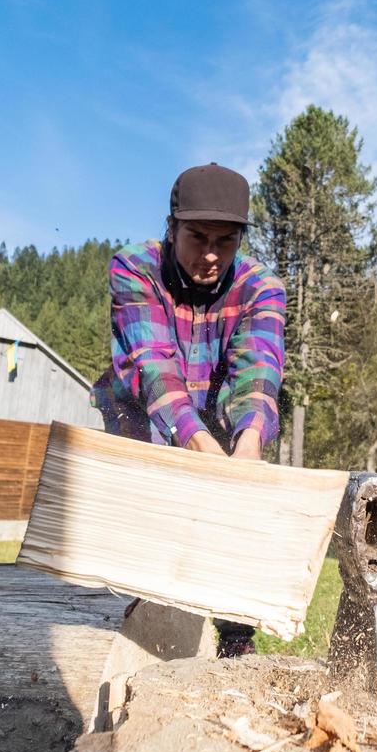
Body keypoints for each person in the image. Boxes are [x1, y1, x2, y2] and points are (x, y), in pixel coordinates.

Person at [90, 162, 286, 656]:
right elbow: (153, 365)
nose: (211, 255)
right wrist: (194, 442)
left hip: (217, 419)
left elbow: (258, 369)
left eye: (226, 242)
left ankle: (236, 640)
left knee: (231, 523)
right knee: (149, 522)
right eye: (198, 238)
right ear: (171, 226)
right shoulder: (134, 268)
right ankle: (132, 626)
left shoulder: (262, 288)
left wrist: (247, 448)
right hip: (141, 415)